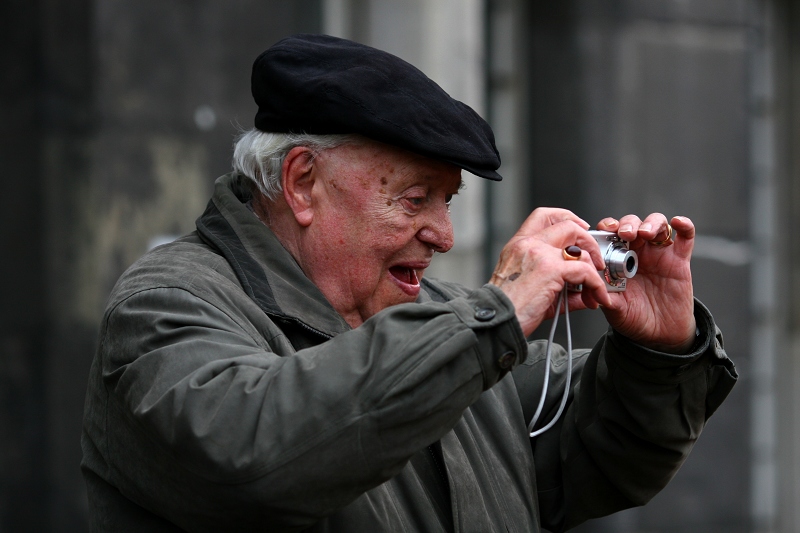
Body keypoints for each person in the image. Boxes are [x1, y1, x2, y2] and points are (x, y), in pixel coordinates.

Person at [81, 34, 737, 533]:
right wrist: (495, 313)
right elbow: (252, 456)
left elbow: (611, 451)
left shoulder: (450, 324)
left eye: (446, 202)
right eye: (415, 198)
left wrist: (660, 348)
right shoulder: (165, 306)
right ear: (303, 182)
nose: (443, 235)